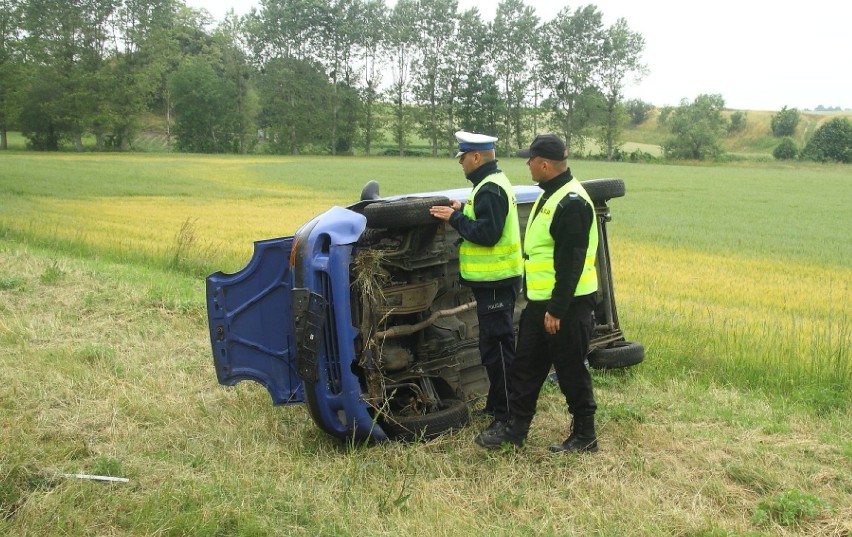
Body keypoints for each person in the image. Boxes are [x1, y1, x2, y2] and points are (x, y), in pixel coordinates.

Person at [475, 133, 600, 453]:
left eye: (530, 159)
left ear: (544, 164)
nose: (527, 164)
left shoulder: (571, 202)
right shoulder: (551, 193)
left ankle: (585, 436)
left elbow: (572, 263)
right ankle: (515, 430)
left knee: (571, 369)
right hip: (541, 302)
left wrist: (557, 310)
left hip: (567, 305)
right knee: (526, 367)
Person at [429, 131, 523, 439]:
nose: (461, 164)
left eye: (463, 158)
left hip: (496, 282)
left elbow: (488, 234)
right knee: (494, 346)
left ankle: (507, 416)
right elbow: (484, 219)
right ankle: (498, 404)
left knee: (497, 349)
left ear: (476, 157)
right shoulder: (490, 185)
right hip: (494, 283)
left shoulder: (490, 189)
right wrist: (463, 210)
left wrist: (454, 218)